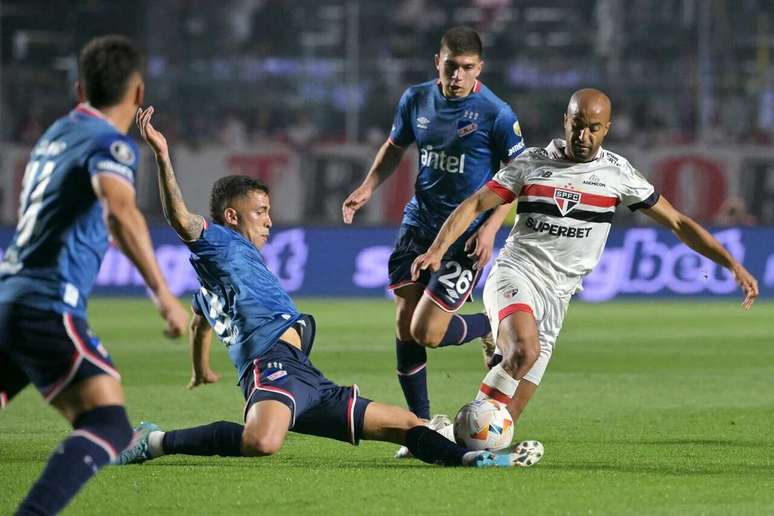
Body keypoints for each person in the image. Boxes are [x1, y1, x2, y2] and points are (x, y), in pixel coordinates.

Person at [115, 106, 543, 470]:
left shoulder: (216, 285)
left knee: (409, 425)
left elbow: (198, 323)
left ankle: (478, 459)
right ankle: (152, 441)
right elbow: (180, 220)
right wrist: (162, 155)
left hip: (307, 379)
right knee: (262, 442)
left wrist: (200, 368)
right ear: (230, 217)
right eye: (260, 211)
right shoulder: (220, 244)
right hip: (272, 367)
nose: (268, 219)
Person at [411, 88, 759, 429]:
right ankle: (476, 406)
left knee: (502, 425)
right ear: (565, 121)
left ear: (606, 129)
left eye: (593, 128)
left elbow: (679, 222)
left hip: (558, 298)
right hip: (516, 274)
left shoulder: (617, 173)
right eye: (577, 125)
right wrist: (437, 249)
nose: (583, 135)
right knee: (523, 353)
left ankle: (443, 434)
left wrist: (732, 264)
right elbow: (474, 203)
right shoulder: (531, 163)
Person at [0, 36, 189, 515]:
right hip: (45, 303)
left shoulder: (56, 133)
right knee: (107, 425)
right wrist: (164, 294)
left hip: (9, 295)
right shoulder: (110, 144)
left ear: (80, 88)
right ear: (139, 92)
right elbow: (120, 212)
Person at [341, 26, 525, 434]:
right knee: (404, 324)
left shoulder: (497, 114)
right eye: (450, 66)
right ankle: (422, 425)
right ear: (436, 62)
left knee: (428, 332)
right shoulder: (415, 99)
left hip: (466, 235)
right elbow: (394, 147)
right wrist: (368, 186)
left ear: (480, 67)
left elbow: (518, 180)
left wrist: (492, 228)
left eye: (466, 68)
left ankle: (489, 325)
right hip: (418, 223)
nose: (457, 76)